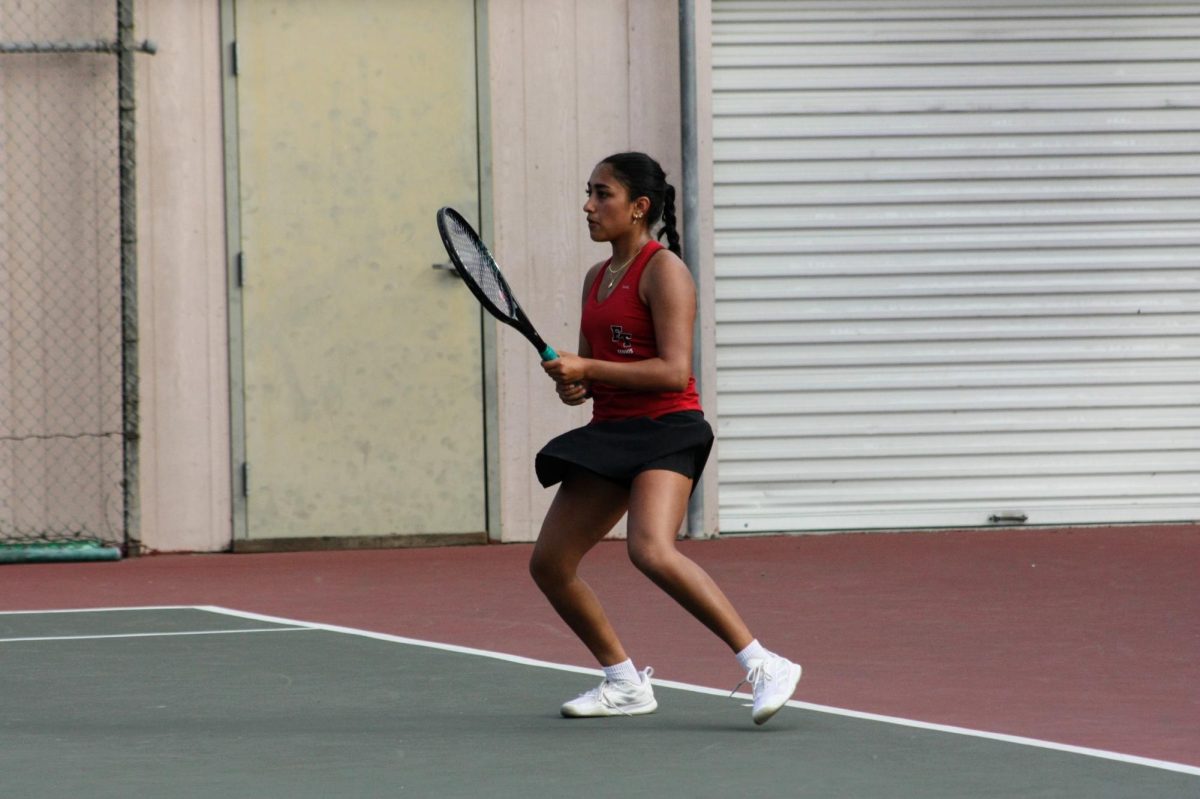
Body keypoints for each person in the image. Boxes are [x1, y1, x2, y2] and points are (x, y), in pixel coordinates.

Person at [531, 152, 801, 724]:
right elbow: (596, 370)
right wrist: (575, 386)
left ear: (639, 208)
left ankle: (763, 662)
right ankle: (624, 683)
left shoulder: (664, 271)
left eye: (602, 194)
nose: (588, 205)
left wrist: (590, 368)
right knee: (550, 563)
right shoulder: (595, 278)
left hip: (668, 427)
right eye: (589, 192)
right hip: (612, 430)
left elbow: (673, 371)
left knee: (649, 548)